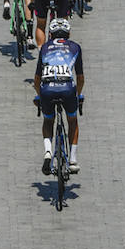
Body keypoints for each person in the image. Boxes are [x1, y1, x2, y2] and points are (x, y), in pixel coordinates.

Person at [34, 17, 84, 174]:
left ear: (50, 34)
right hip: (67, 88)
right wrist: (78, 95)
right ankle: (73, 160)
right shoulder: (75, 47)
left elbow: (36, 79)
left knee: (48, 120)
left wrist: (39, 96)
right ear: (69, 34)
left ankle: (48, 151)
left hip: (47, 89)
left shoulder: (45, 48)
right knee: (72, 121)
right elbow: (80, 78)